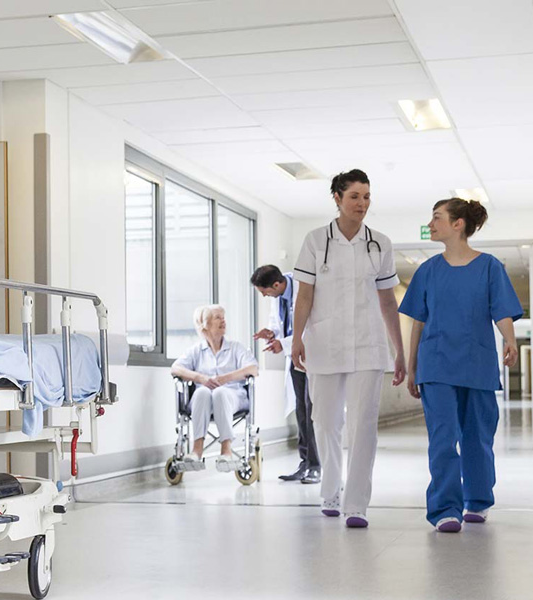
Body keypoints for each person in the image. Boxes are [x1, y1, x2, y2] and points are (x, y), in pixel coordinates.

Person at [289, 169, 406, 529]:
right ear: (337, 198)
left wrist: (398, 349)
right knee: (324, 421)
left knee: (363, 425)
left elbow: (388, 302)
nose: (362, 204)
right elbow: (304, 295)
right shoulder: (314, 240)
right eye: (355, 196)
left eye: (367, 196)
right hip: (324, 344)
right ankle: (330, 490)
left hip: (369, 345)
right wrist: (296, 339)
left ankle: (356, 503)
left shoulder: (380, 243)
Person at [399, 198, 523, 533]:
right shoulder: (427, 271)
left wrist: (510, 340)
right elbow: (418, 323)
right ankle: (444, 509)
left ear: (458, 224)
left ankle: (478, 501)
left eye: (437, 217)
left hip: (477, 362)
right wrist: (412, 367)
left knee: (477, 436)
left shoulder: (489, 267)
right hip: (436, 364)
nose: (431, 223)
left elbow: (502, 310)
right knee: (442, 437)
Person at [171, 305, 260, 473]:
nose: (223, 320)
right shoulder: (197, 350)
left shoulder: (235, 348)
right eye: (217, 317)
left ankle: (226, 450)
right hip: (201, 402)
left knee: (219, 392)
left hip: (233, 397)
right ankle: (196, 450)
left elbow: (253, 369)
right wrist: (200, 378)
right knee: (203, 391)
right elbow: (175, 368)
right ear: (205, 325)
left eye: (223, 317)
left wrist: (225, 378)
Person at [252, 265, 320, 484]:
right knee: (301, 410)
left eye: (265, 291)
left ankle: (317, 465)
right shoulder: (279, 296)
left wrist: (284, 343)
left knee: (312, 411)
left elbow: (310, 327)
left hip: (311, 356)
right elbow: (283, 325)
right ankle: (305, 462)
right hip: (294, 358)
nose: (264, 296)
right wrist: (272, 334)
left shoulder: (305, 288)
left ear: (277, 284)